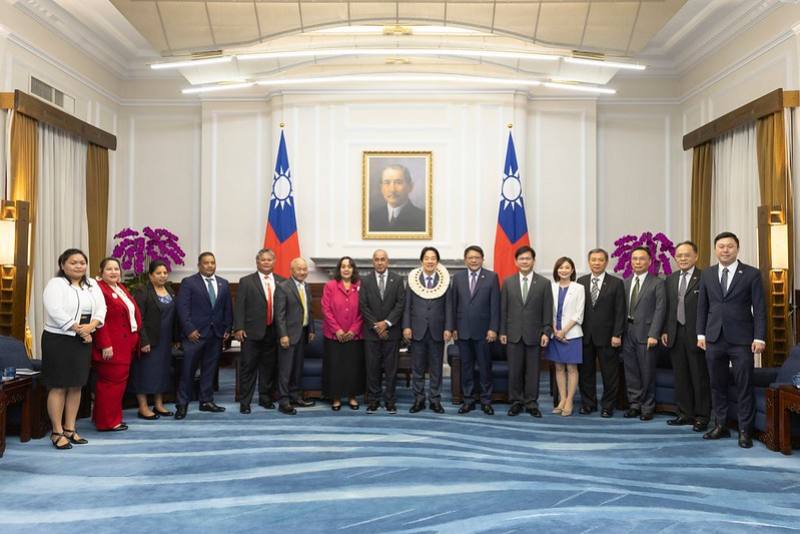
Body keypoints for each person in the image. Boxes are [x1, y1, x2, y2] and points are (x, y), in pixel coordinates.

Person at [697, 231, 766, 448]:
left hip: (742, 339)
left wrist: (759, 337)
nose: (725, 250)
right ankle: (720, 425)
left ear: (737, 249)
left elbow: (760, 309)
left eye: (729, 246)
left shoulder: (751, 274)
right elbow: (702, 307)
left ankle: (745, 431)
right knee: (717, 385)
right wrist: (701, 334)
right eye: (721, 246)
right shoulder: (707, 274)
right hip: (714, 338)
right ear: (715, 249)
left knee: (744, 385)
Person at [41, 249, 106, 449]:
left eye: (82, 262)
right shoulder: (56, 284)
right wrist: (79, 329)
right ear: (63, 265)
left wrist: (91, 327)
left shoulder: (92, 284)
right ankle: (57, 431)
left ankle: (70, 428)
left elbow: (101, 308)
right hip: (59, 340)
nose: (79, 266)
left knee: (76, 385)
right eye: (73, 262)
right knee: (59, 385)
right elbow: (54, 310)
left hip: (83, 340)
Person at [174, 252, 233, 420]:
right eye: (206, 263)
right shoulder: (189, 283)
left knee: (210, 370)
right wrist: (189, 330)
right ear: (199, 265)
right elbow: (182, 309)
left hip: (215, 334)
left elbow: (227, 308)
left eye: (212, 263)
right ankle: (182, 405)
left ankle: (206, 401)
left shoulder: (223, 283)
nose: (210, 266)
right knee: (188, 371)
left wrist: (228, 328)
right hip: (195, 335)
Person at [660, 241, 710, 432]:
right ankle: (685, 414)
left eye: (686, 255)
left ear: (696, 256)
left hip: (697, 335)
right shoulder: (670, 279)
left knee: (699, 377)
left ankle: (702, 416)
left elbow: (710, 308)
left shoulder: (705, 277)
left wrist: (704, 333)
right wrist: (665, 330)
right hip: (675, 334)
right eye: (679, 255)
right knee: (680, 377)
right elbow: (668, 308)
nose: (682, 258)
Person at [499, 246, 552, 418]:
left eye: (528, 258)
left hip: (534, 334)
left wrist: (546, 331)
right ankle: (516, 401)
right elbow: (503, 310)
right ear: (516, 261)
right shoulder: (508, 282)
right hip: (513, 334)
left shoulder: (544, 283)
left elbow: (547, 310)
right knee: (514, 370)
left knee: (533, 371)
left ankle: (531, 402)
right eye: (521, 259)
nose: (525, 262)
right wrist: (502, 331)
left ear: (533, 261)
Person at [447, 245, 500, 415]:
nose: (474, 260)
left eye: (477, 257)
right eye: (470, 257)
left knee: (485, 367)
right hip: (462, 331)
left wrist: (493, 328)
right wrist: (453, 327)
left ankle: (486, 400)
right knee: (466, 368)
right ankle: (468, 400)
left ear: (482, 259)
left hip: (484, 332)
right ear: (465, 260)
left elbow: (495, 306)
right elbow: (453, 305)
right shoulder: (458, 277)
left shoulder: (491, 277)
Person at [92, 257, 142, 431]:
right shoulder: (99, 290)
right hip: (111, 346)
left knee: (117, 384)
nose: (114, 272)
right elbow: (99, 320)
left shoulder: (120, 287)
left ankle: (105, 417)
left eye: (116, 269)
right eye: (109, 269)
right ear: (101, 271)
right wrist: (105, 344)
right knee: (111, 384)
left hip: (125, 345)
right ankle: (108, 422)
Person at [233, 249, 285, 414]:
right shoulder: (246, 281)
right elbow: (239, 307)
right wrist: (239, 327)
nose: (266, 262)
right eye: (263, 260)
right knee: (248, 368)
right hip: (251, 332)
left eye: (269, 259)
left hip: (273, 332)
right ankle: (245, 402)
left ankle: (265, 399)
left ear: (274, 261)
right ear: (257, 262)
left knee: (268, 368)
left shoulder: (282, 282)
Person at [576, 248, 626, 418]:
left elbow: (620, 311)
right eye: (593, 260)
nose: (596, 263)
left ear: (606, 262)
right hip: (585, 336)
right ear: (589, 262)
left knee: (609, 374)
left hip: (608, 337)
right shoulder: (580, 282)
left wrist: (617, 334)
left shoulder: (616, 283)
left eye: (600, 260)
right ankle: (588, 404)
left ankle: (608, 406)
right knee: (585, 373)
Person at [403, 246, 452, 414]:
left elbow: (449, 307)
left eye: (433, 258)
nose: (430, 261)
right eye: (427, 258)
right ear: (421, 261)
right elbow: (407, 305)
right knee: (417, 367)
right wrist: (406, 326)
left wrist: (448, 328)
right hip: (417, 330)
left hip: (438, 331)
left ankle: (435, 400)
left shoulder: (444, 281)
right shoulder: (413, 281)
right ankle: (418, 400)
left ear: (437, 262)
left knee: (436, 367)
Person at [621, 246, 666, 421]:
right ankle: (634, 404)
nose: (637, 262)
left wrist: (654, 334)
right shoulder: (625, 282)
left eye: (641, 259)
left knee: (647, 372)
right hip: (628, 332)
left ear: (649, 262)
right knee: (631, 370)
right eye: (634, 259)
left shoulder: (657, 283)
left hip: (647, 334)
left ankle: (647, 407)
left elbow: (660, 309)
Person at [359, 249, 406, 414]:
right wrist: (376, 326)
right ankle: (373, 401)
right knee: (372, 368)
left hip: (391, 333)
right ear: (373, 262)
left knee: (391, 369)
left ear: (388, 261)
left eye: (383, 259)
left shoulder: (398, 279)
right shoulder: (365, 281)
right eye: (377, 259)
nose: (380, 262)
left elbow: (400, 304)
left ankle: (390, 400)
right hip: (371, 333)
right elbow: (363, 306)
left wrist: (386, 323)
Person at [131, 260, 177, 420]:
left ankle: (158, 404)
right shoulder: (142, 291)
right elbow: (138, 319)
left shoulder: (170, 290)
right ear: (150, 275)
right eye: (158, 273)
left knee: (162, 373)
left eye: (165, 273)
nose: (163, 276)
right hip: (149, 341)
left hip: (165, 341)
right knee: (144, 373)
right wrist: (143, 341)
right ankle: (143, 407)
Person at [322, 256, 365, 411]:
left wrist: (353, 330)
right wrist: (338, 330)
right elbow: (326, 310)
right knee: (335, 367)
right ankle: (336, 398)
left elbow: (363, 311)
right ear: (339, 269)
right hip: (334, 336)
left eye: (349, 266)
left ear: (353, 269)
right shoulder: (330, 286)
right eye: (343, 266)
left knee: (353, 367)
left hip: (355, 336)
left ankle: (352, 397)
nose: (346, 269)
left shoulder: (360, 285)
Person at [274, 257, 317, 415]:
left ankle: (295, 396)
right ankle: (284, 401)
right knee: (285, 370)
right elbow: (279, 315)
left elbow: (309, 310)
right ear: (291, 270)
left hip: (303, 333)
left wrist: (311, 329)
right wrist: (283, 335)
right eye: (299, 269)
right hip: (288, 336)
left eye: (305, 269)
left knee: (297, 368)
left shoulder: (306, 286)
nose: (302, 272)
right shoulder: (283, 287)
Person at [545, 257, 585, 417]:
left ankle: (569, 400)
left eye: (567, 267)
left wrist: (563, 331)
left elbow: (578, 313)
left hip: (572, 334)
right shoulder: (551, 287)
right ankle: (561, 399)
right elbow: (548, 311)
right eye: (560, 268)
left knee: (572, 368)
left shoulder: (579, 288)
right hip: (555, 334)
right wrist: (555, 331)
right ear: (556, 270)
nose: (563, 270)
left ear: (572, 270)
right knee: (559, 368)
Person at [369, 164, 426, 232]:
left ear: (410, 187)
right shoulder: (371, 217)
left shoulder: (423, 218)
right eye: (387, 182)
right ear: (381, 188)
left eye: (398, 182)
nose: (392, 189)